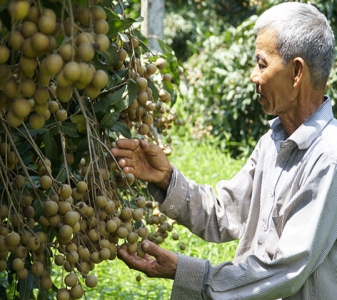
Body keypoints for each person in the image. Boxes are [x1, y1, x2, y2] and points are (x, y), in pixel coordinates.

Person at [111, 2, 337, 299]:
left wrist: (190, 273)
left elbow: (284, 271)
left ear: (296, 72)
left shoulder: (328, 159)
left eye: (262, 64)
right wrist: (165, 179)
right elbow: (225, 214)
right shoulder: (273, 142)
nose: (254, 77)